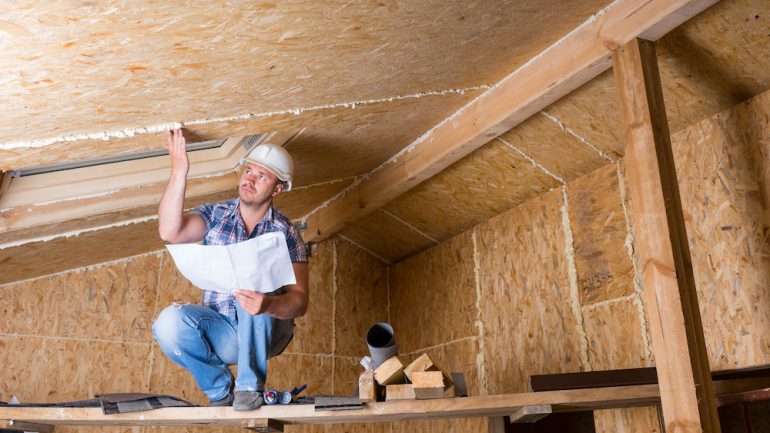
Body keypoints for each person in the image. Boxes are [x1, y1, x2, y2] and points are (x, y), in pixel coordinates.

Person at [152, 129, 309, 411]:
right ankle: (220, 390)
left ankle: (250, 389)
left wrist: (269, 304)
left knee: (255, 275)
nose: (249, 179)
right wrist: (179, 171)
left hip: (268, 331)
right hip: (223, 331)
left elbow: (300, 301)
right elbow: (169, 231)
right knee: (168, 322)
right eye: (248, 170)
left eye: (261, 176)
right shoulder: (215, 215)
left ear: (277, 188)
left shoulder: (286, 234)